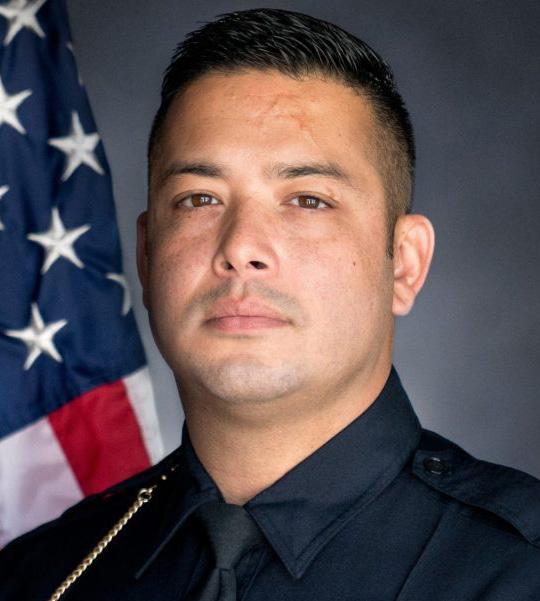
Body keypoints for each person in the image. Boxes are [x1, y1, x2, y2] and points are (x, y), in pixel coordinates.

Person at [1, 7, 539, 600]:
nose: (241, 248)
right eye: (200, 198)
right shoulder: (40, 576)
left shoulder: (519, 570)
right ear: (148, 256)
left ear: (404, 264)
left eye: (308, 200)